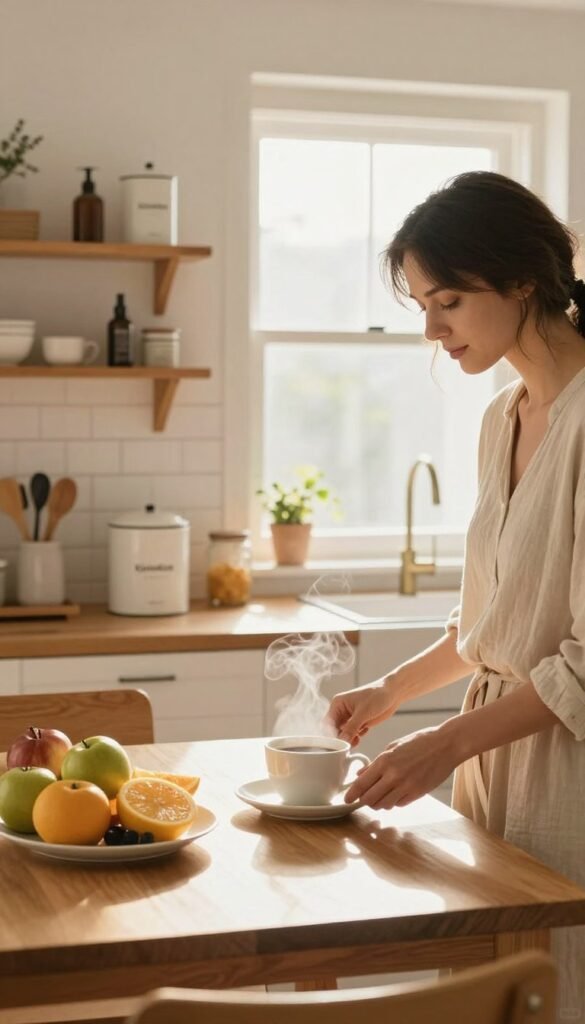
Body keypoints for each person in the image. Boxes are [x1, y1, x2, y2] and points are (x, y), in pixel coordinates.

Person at [326, 170, 585, 1021]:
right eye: (421, 308)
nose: (432, 331)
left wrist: (443, 742)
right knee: (487, 995)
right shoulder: (501, 416)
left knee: (557, 988)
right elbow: (490, 627)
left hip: (567, 776)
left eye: (446, 303)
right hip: (494, 764)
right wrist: (390, 692)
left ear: (521, 282)